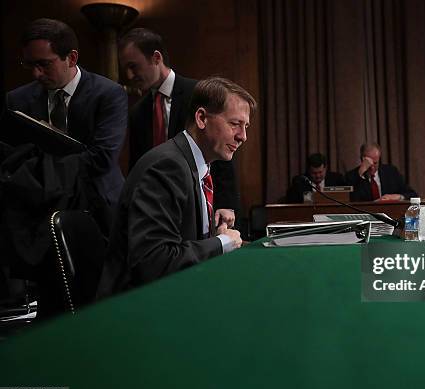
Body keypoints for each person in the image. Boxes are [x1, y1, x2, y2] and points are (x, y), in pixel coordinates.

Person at [98, 77, 256, 296]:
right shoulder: (167, 167)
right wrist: (221, 243)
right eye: (235, 124)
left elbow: (182, 241)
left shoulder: (193, 164)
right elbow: (154, 261)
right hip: (137, 305)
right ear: (201, 118)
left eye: (246, 126)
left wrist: (214, 237)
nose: (243, 137)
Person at [118, 28, 239, 227]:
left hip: (204, 208)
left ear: (156, 57)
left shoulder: (198, 93)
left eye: (134, 66)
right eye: (126, 69)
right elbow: (139, 164)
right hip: (158, 211)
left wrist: (227, 204)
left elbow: (223, 148)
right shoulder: (137, 111)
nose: (130, 75)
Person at [5, 18, 127, 207]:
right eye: (29, 64)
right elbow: (14, 158)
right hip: (39, 204)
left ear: (71, 58)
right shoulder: (16, 99)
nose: (36, 74)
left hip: (98, 200)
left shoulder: (109, 93)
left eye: (44, 64)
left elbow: (102, 158)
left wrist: (43, 171)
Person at [345, 142, 417, 202]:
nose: (372, 167)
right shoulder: (351, 176)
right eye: (369, 163)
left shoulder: (391, 172)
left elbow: (412, 194)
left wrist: (398, 196)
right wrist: (360, 173)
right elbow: (350, 200)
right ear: (362, 159)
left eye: (375, 163)